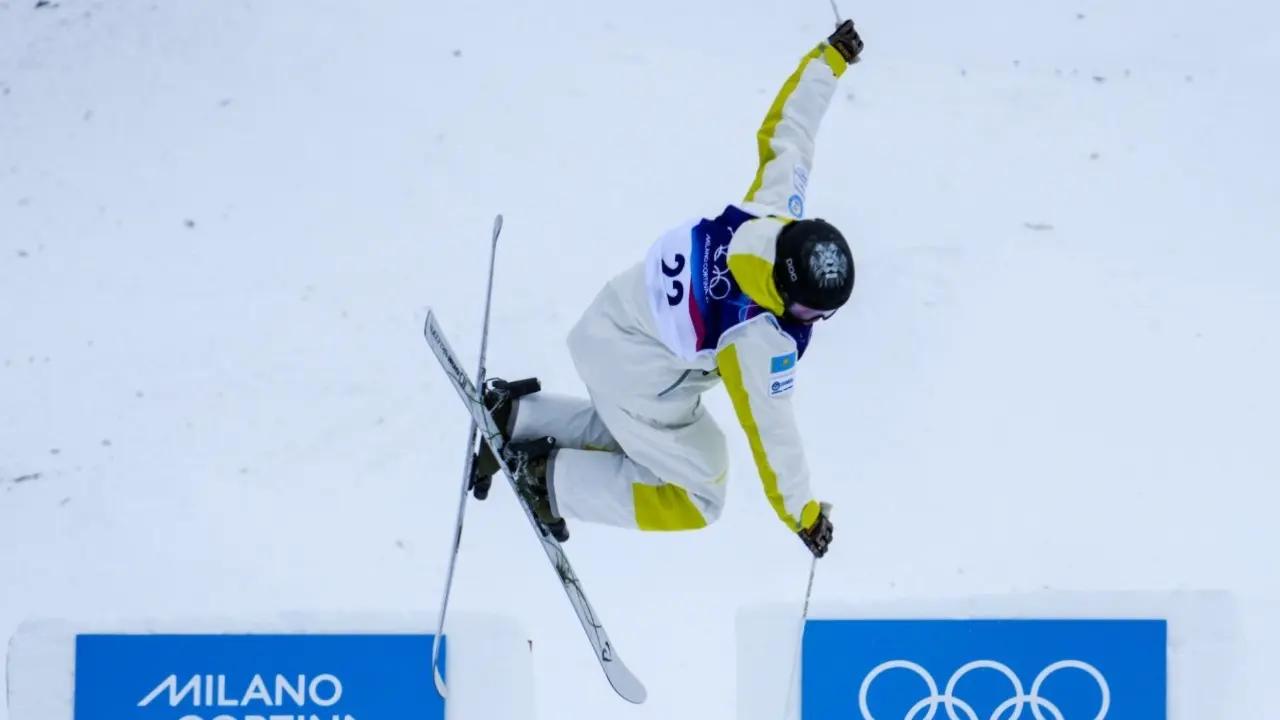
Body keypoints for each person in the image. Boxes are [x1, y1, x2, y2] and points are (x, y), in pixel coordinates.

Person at [471, 20, 864, 559]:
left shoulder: (772, 208)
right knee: (702, 490)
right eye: (805, 308)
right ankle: (550, 481)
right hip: (638, 376)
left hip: (612, 322)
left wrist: (829, 60)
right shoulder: (757, 336)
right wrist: (804, 514)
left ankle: (523, 418)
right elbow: (775, 437)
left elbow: (792, 132)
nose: (804, 319)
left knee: (665, 438)